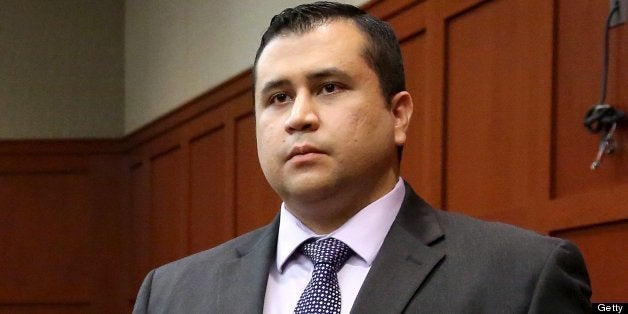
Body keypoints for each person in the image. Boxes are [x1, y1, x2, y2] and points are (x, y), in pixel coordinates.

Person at [133, 2, 592, 313]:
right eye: (277, 97)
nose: (299, 117)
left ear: (398, 115)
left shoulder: (522, 277)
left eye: (329, 88)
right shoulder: (172, 293)